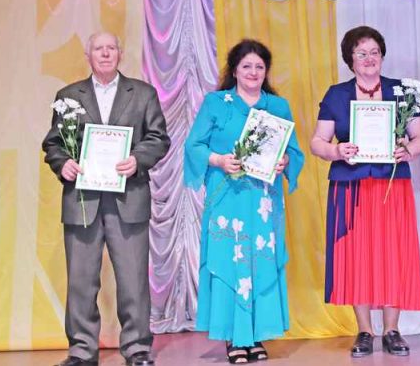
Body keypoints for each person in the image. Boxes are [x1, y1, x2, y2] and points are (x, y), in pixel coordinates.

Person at [43, 32, 170, 366]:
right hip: (82, 201)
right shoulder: (68, 96)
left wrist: (138, 159)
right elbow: (53, 144)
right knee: (81, 280)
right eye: (98, 49)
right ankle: (82, 350)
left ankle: (137, 348)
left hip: (129, 199)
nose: (105, 53)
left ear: (119, 54)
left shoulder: (143, 93)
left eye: (111, 48)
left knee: (133, 279)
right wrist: (63, 163)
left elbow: (159, 138)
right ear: (88, 55)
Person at [310, 25, 420, 358]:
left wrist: (409, 150)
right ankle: (364, 331)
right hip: (351, 186)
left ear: (382, 56)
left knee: (394, 253)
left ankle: (392, 330)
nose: (368, 58)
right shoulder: (336, 94)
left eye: (374, 52)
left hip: (392, 186)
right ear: (350, 58)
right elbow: (318, 142)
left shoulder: (402, 91)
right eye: (361, 53)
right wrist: (336, 151)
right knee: (356, 256)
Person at [184, 39, 305, 364]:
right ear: (234, 70)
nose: (253, 72)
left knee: (260, 261)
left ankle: (255, 335)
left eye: (259, 67)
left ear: (266, 71)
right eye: (246, 66)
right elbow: (194, 145)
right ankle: (234, 337)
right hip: (226, 198)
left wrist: (284, 162)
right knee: (230, 260)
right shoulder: (216, 102)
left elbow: (294, 151)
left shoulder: (278, 107)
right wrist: (219, 160)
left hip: (263, 201)